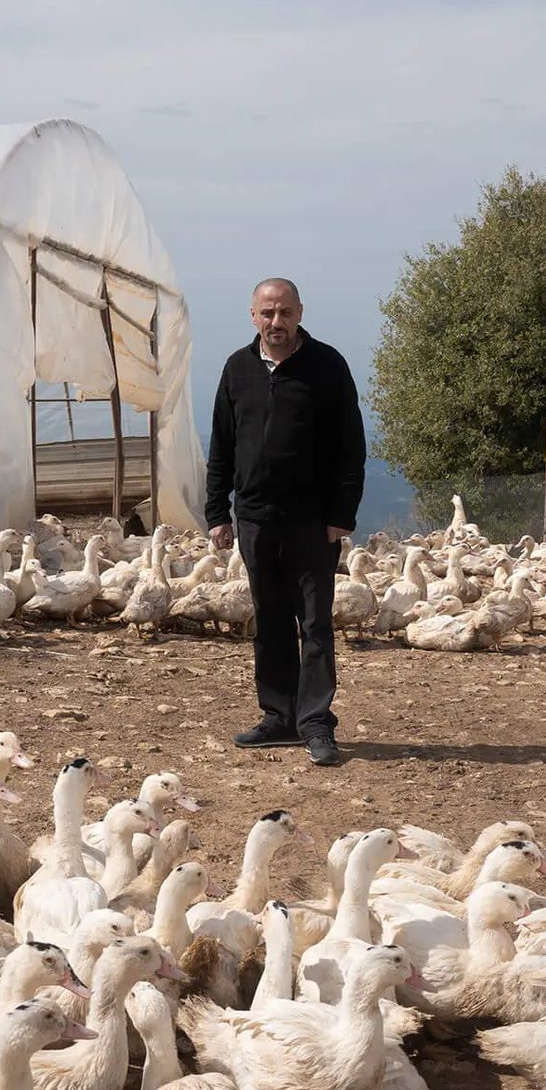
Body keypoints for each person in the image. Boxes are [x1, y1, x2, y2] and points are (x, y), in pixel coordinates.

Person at [205, 277, 365, 767]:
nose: (277, 323)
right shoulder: (237, 369)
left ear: (299, 313)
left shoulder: (327, 366)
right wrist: (218, 511)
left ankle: (316, 724)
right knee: (269, 621)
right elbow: (222, 447)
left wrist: (341, 515)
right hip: (254, 519)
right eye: (268, 313)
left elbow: (350, 446)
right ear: (253, 315)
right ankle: (278, 717)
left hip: (312, 523)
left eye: (285, 314)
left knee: (314, 625)